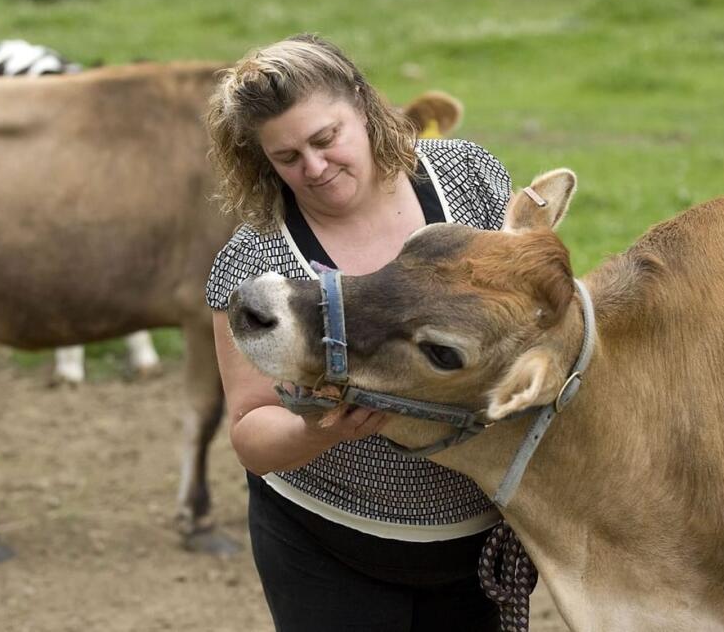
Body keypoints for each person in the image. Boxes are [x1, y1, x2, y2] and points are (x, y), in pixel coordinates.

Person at [204, 34, 513, 631]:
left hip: (481, 537)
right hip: (328, 546)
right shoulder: (251, 263)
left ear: (366, 109)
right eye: (287, 158)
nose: (314, 169)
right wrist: (320, 429)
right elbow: (248, 431)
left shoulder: (469, 181)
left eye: (326, 139)